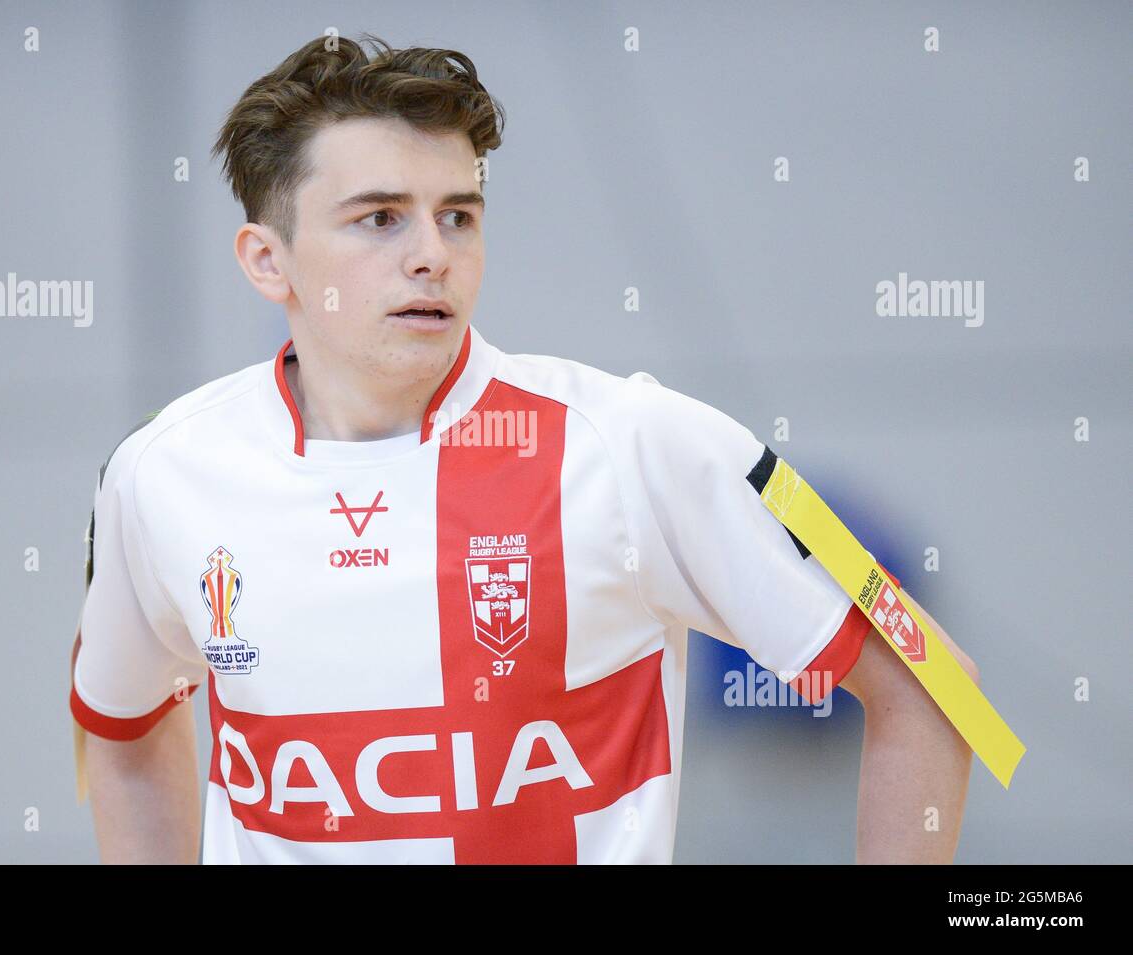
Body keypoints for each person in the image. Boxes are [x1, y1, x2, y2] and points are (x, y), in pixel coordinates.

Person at [69, 33, 979, 864]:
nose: (432, 253)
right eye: (380, 217)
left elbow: (939, 685)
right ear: (268, 260)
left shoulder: (639, 440)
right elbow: (125, 728)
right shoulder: (159, 474)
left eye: (458, 215)